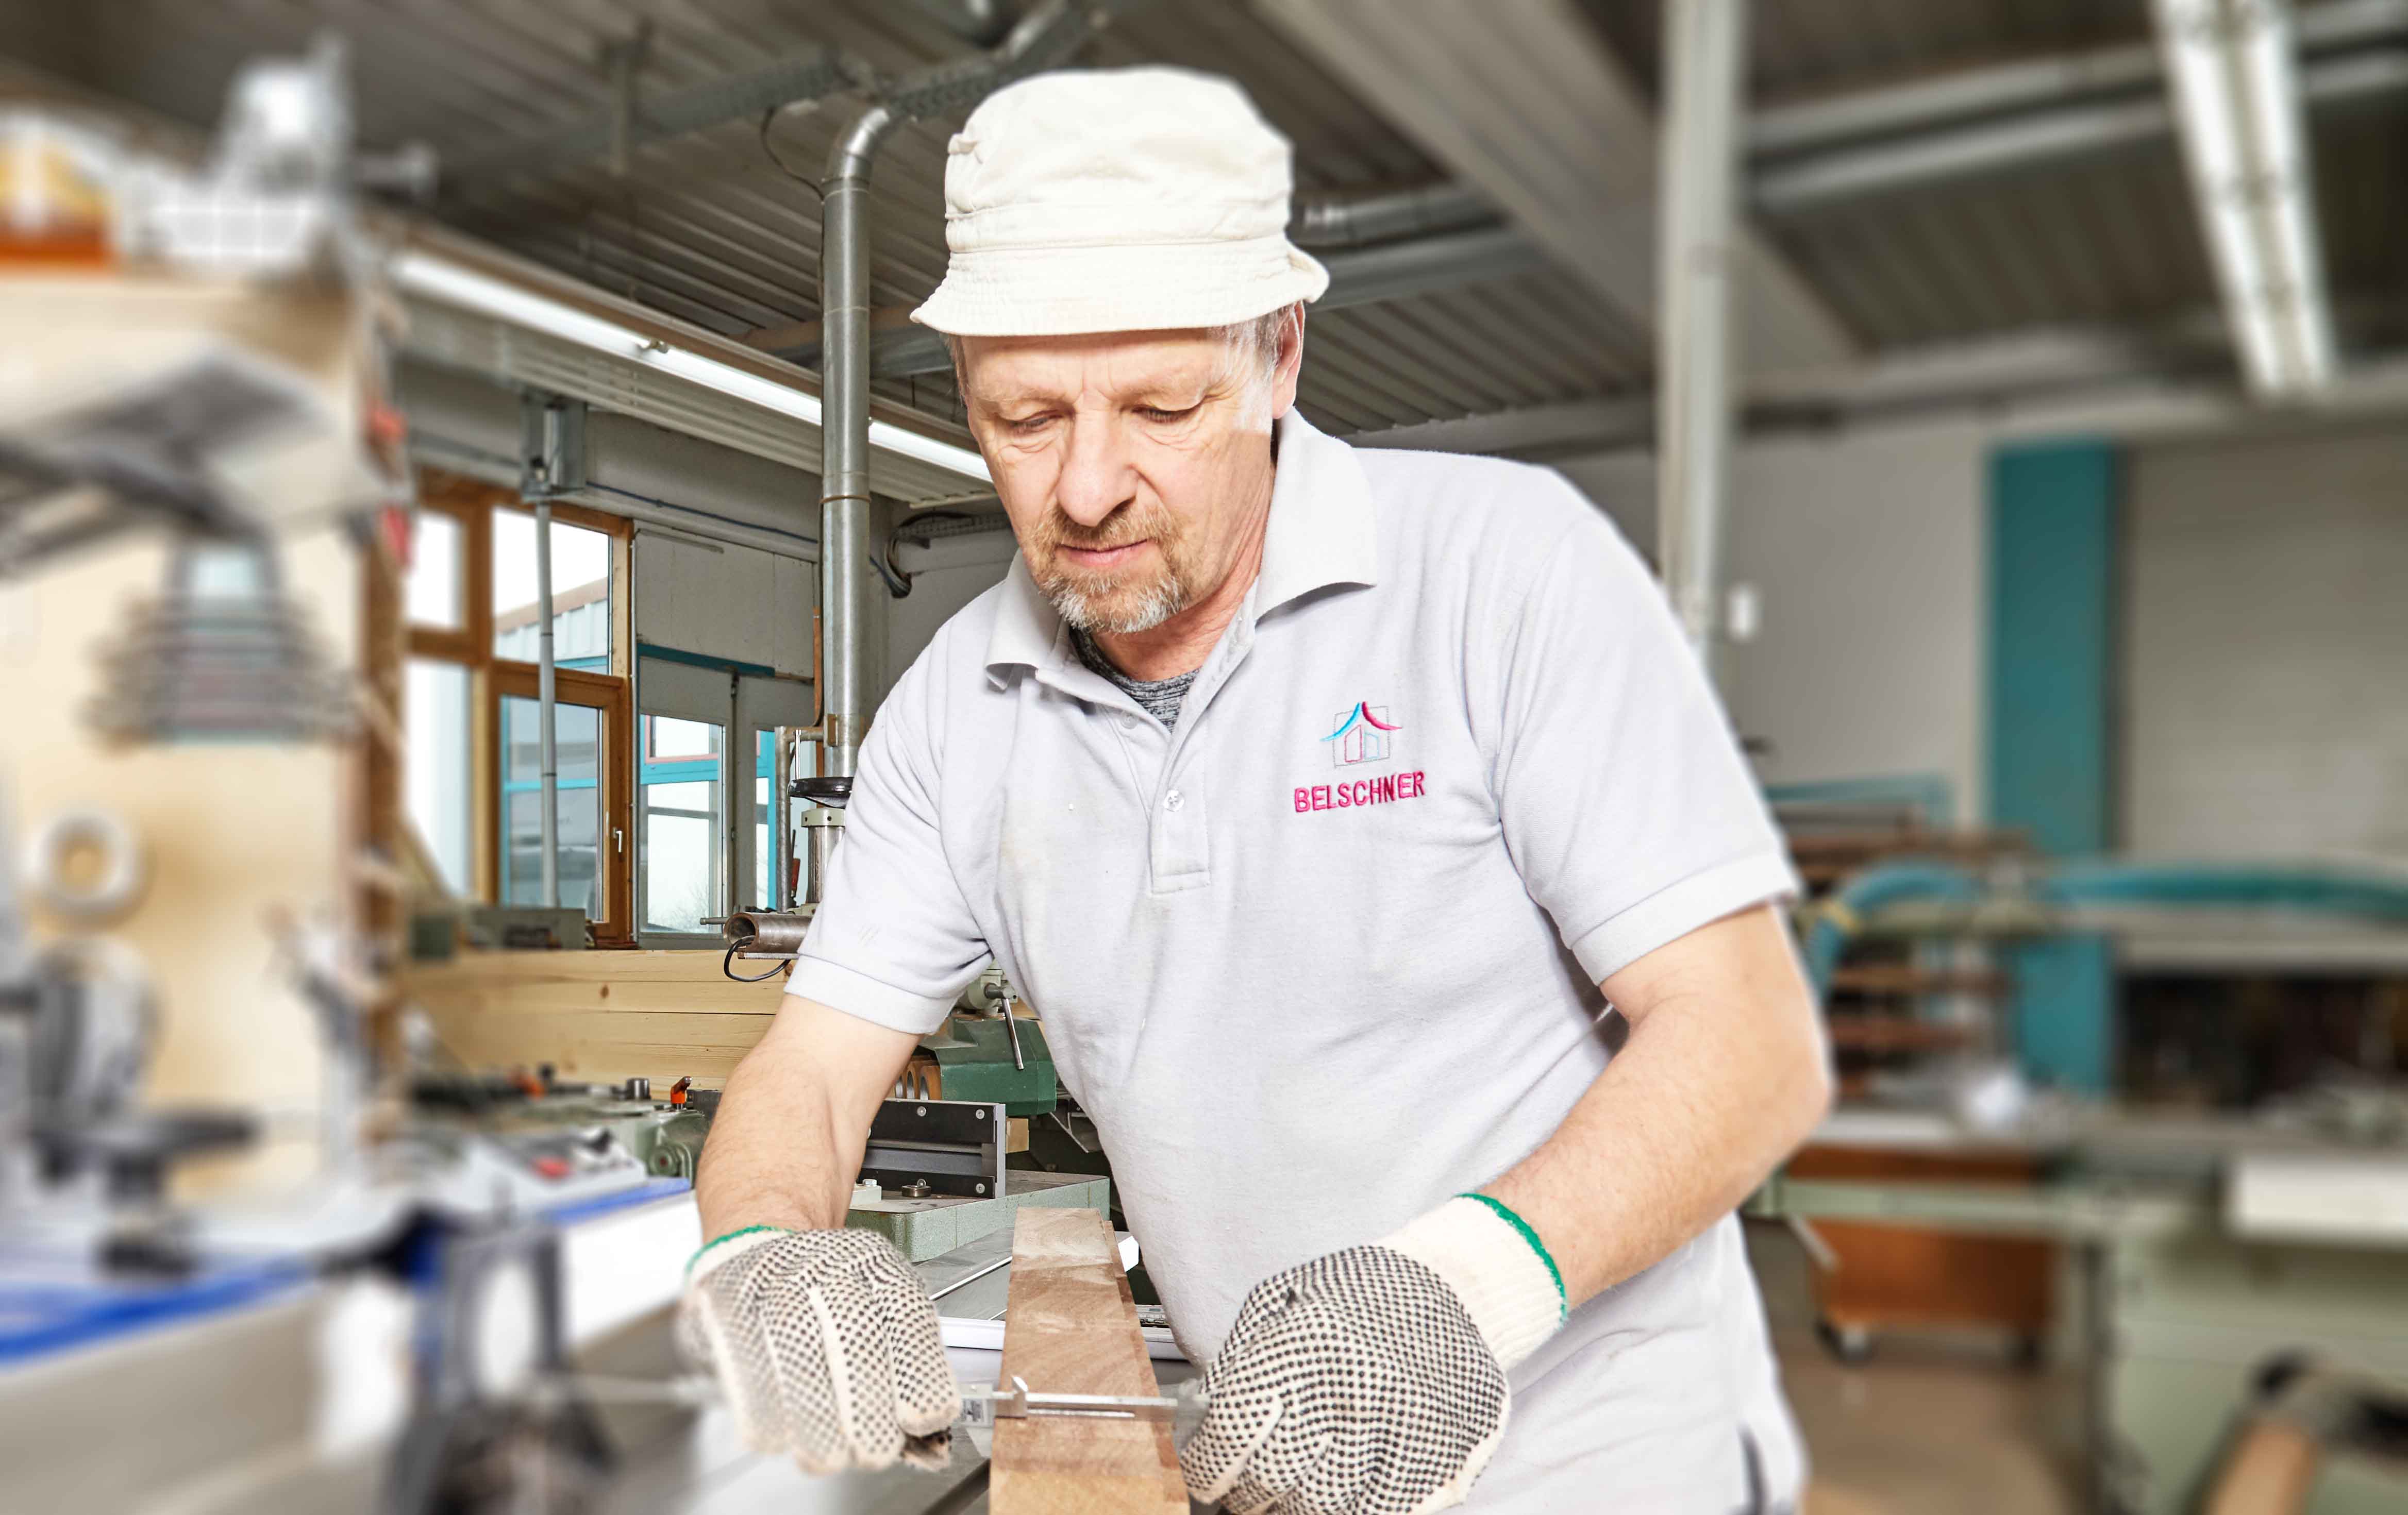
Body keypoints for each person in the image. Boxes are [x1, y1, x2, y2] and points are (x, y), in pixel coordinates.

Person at [679, 65, 1832, 1514]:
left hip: (1602, 1469)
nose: (1086, 488)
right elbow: (810, 1069)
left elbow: (1749, 1036)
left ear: (1279, 357)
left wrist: (1463, 1289)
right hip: (1277, 1471)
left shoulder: (1503, 574)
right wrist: (761, 1249)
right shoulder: (957, 714)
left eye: (1160, 406)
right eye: (1025, 419)